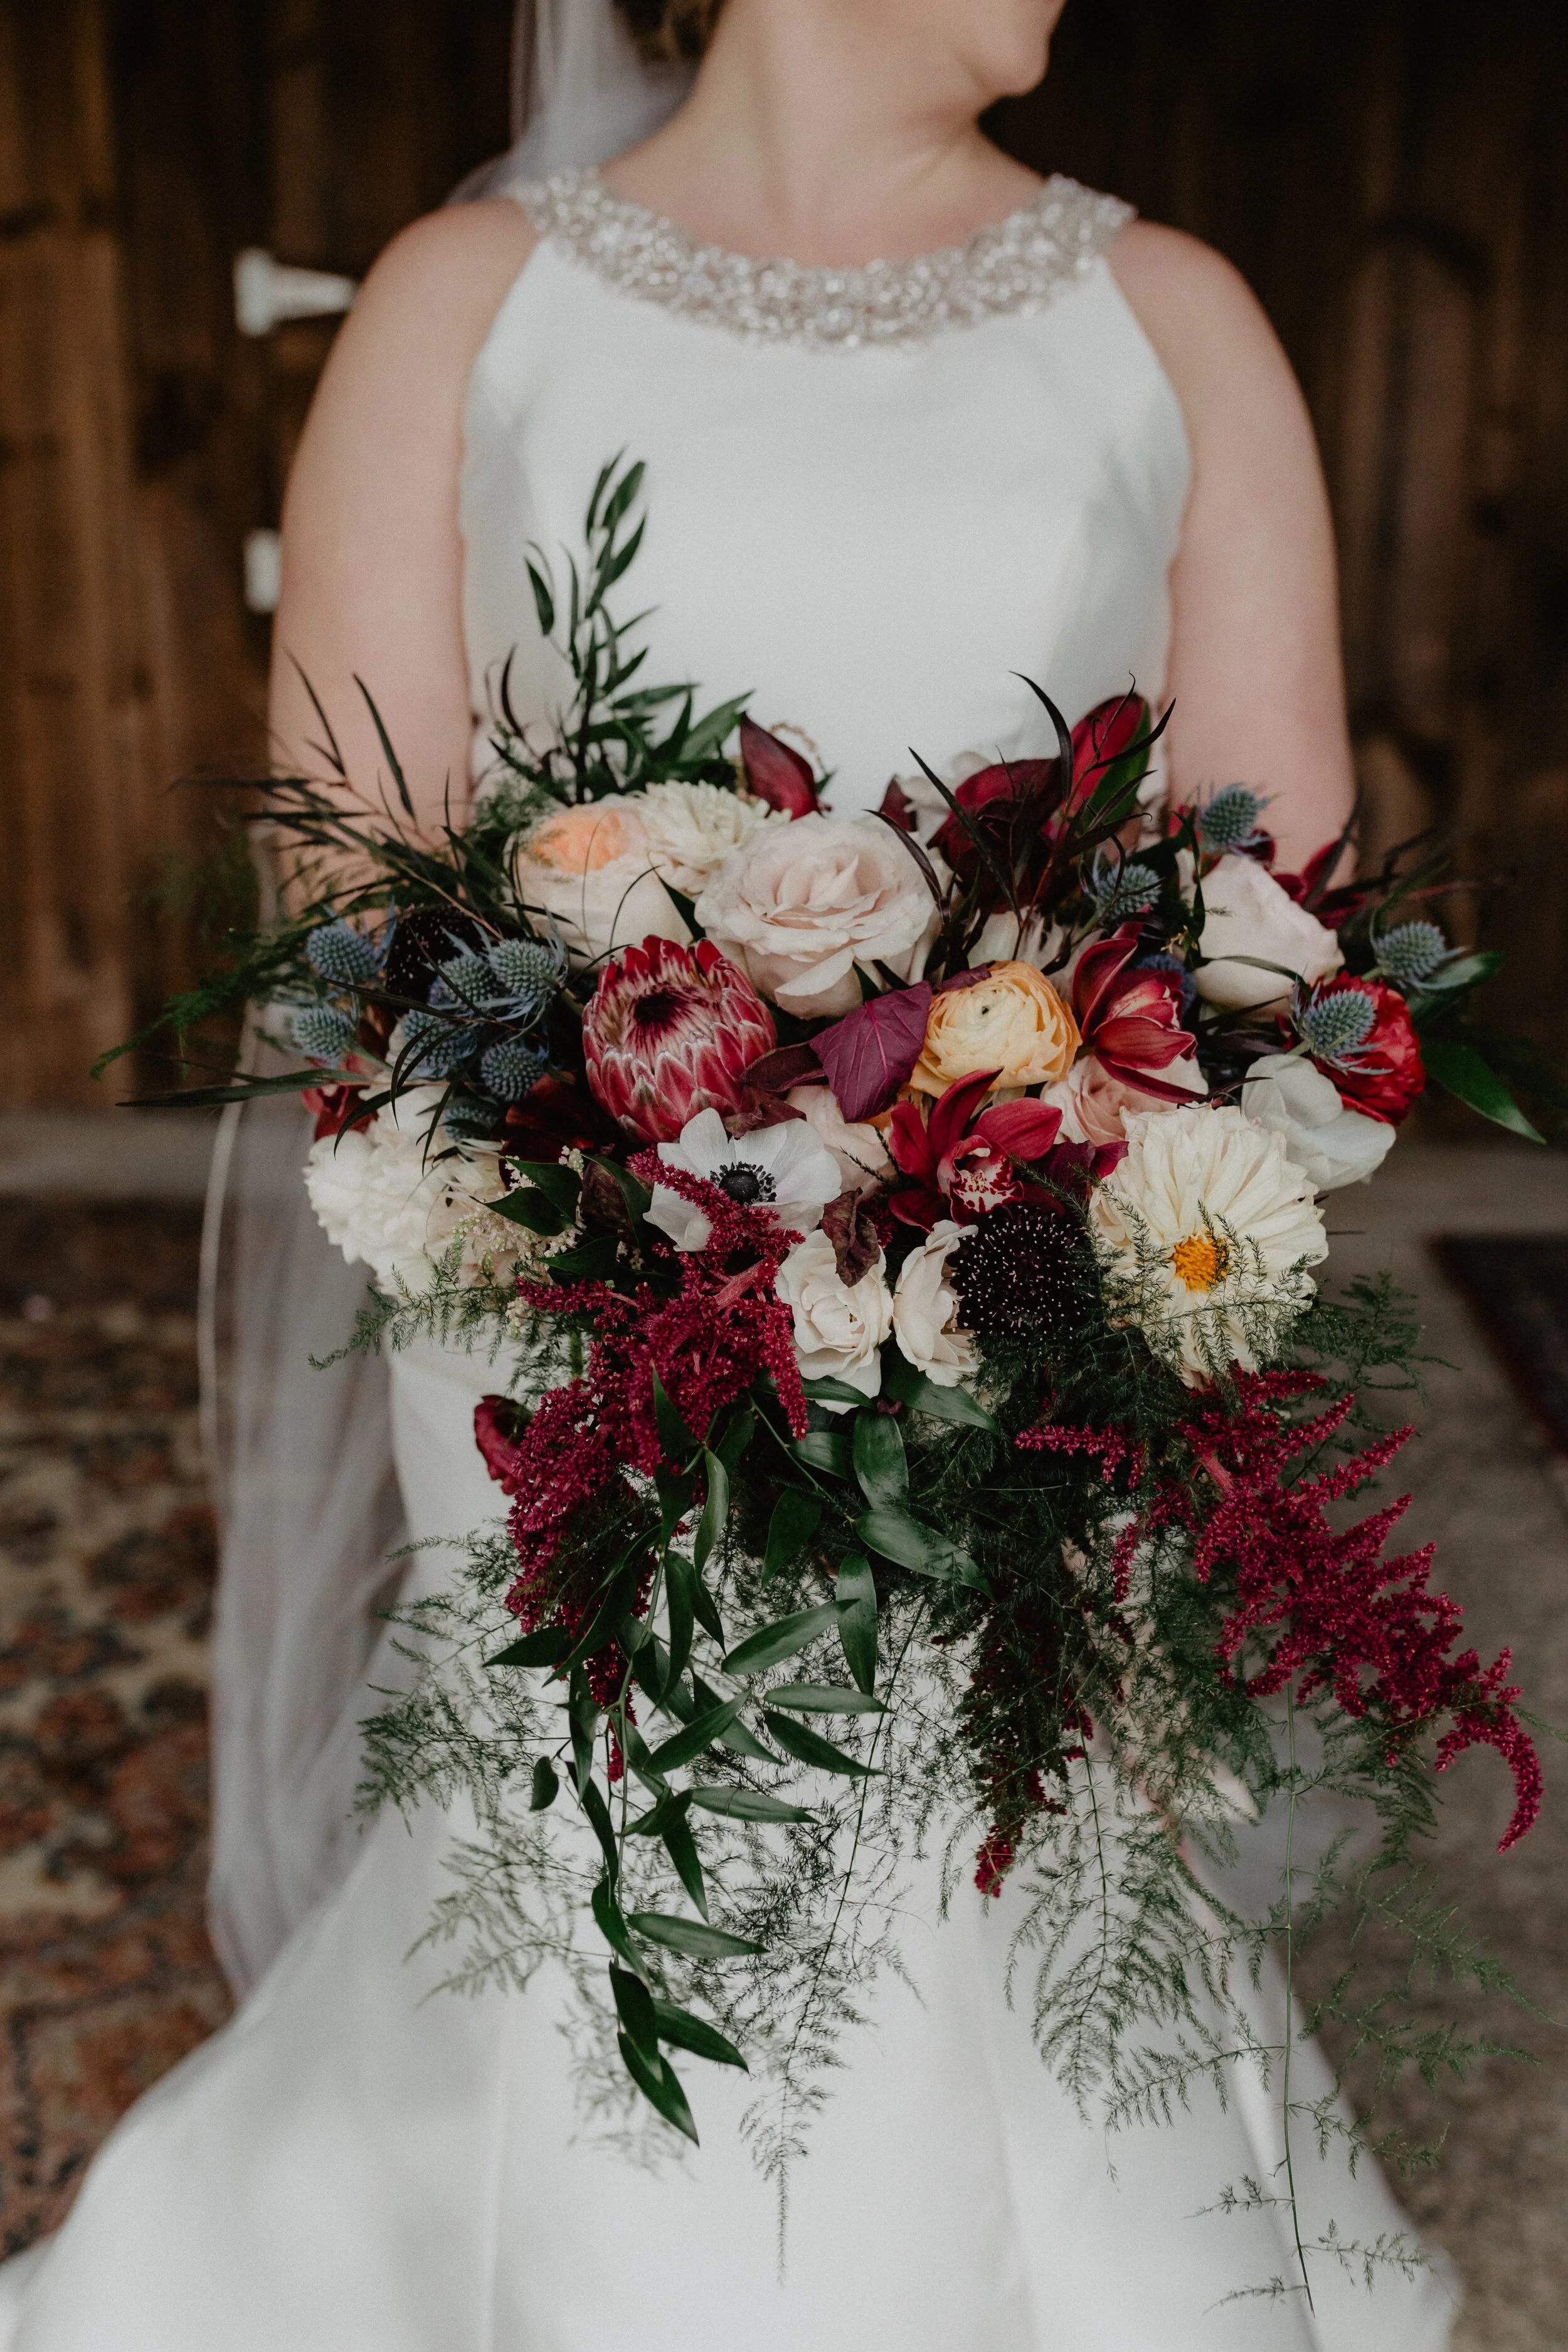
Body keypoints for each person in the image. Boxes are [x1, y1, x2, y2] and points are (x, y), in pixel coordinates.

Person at [0, 3, 1457, 2344]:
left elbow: (1271, 910)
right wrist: (635, 1176)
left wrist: (1020, 1173)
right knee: (605, 1823)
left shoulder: (1168, 315)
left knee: (1006, 1825)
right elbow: (354, 913)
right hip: (567, 1273)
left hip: (1029, 1267)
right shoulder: (469, 311)